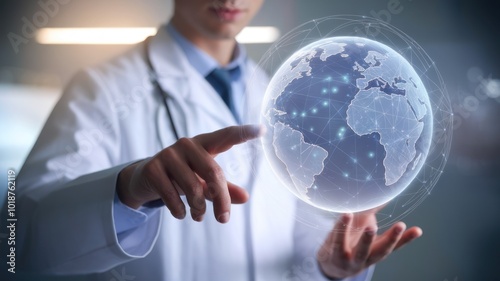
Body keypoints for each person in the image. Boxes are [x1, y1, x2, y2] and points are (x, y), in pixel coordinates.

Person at [12, 0, 422, 280]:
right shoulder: (103, 88)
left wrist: (329, 267)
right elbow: (21, 236)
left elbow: (297, 248)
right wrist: (127, 190)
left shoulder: (283, 98)